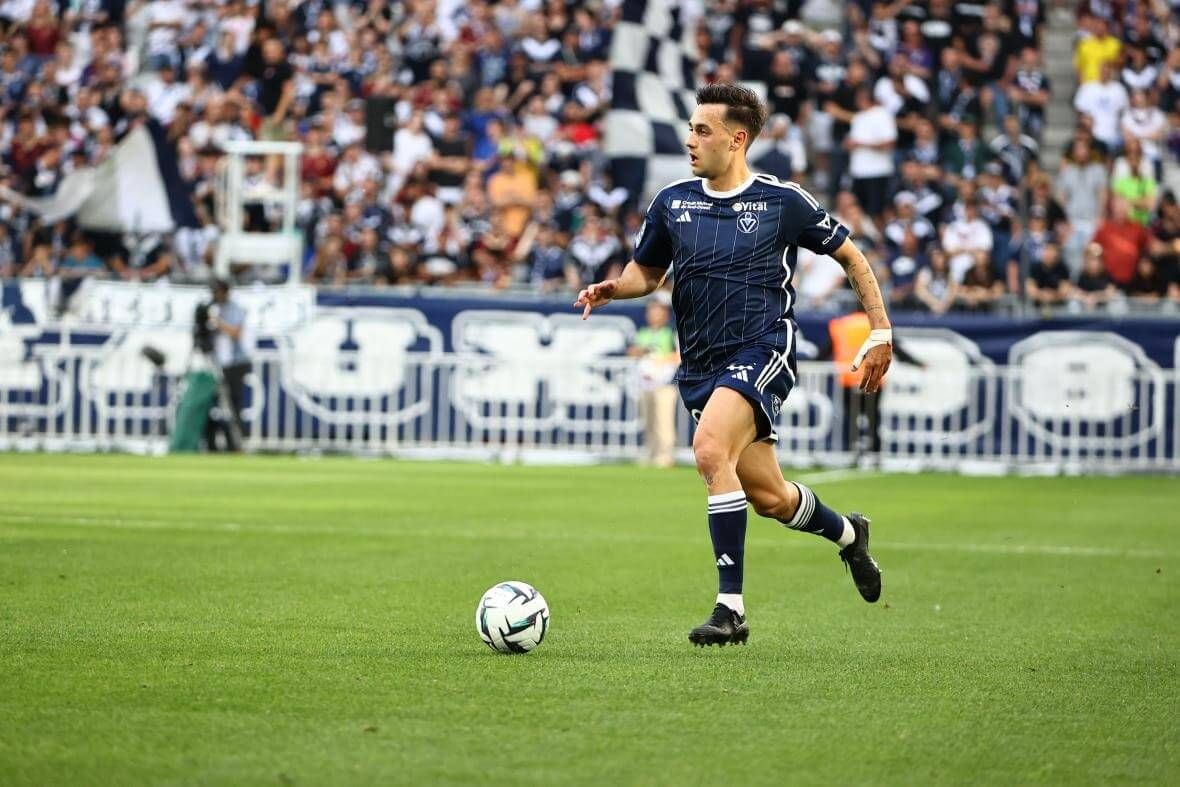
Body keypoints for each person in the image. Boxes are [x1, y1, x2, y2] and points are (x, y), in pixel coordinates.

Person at [575, 84, 892, 647]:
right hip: (700, 365)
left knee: (707, 451)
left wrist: (880, 331)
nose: (690, 140)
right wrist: (612, 289)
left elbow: (852, 256)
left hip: (762, 351)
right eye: (691, 128)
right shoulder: (672, 202)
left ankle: (731, 609)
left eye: (703, 130)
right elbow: (645, 274)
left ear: (737, 138)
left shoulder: (782, 201)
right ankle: (849, 534)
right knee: (770, 497)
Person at [628, 295, 680, 468]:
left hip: (664, 384)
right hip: (645, 383)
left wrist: (661, 360)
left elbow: (679, 355)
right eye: (651, 310)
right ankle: (651, 451)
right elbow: (633, 351)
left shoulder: (671, 332)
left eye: (658, 310)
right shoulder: (643, 332)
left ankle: (665, 454)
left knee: (663, 420)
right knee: (648, 420)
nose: (653, 314)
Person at [204, 278, 252, 452]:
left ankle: (236, 443)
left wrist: (217, 323)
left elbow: (235, 332)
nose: (215, 295)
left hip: (235, 364)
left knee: (233, 404)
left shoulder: (233, 309)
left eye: (217, 291)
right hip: (216, 362)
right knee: (210, 405)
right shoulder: (213, 308)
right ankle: (211, 443)